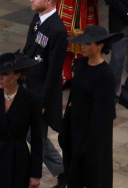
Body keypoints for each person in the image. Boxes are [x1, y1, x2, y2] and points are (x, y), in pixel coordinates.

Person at [61, 25, 123, 187]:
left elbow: (103, 114)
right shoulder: (80, 66)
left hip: (92, 135)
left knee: (92, 175)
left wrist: (91, 144)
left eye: (88, 44)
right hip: (75, 128)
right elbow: (72, 98)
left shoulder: (105, 75)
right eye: (83, 43)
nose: (83, 46)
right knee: (73, 174)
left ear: (100, 46)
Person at [0, 51, 43, 188]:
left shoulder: (31, 99)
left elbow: (37, 139)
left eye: (5, 74)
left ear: (17, 75)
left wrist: (36, 173)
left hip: (17, 160)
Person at [22, 0, 68, 187]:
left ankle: (37, 175)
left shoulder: (57, 30)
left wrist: (42, 102)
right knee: (30, 134)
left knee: (36, 137)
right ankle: (64, 170)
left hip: (40, 93)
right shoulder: (37, 19)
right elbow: (29, 50)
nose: (31, 0)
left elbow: (53, 71)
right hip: (27, 86)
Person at [56, 0, 99, 90]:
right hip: (67, 5)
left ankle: (81, 77)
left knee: (85, 45)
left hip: (84, 6)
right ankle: (67, 76)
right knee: (64, 42)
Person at [105, 0, 128, 108]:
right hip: (120, 21)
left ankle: (126, 94)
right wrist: (125, 12)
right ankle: (110, 96)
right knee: (117, 60)